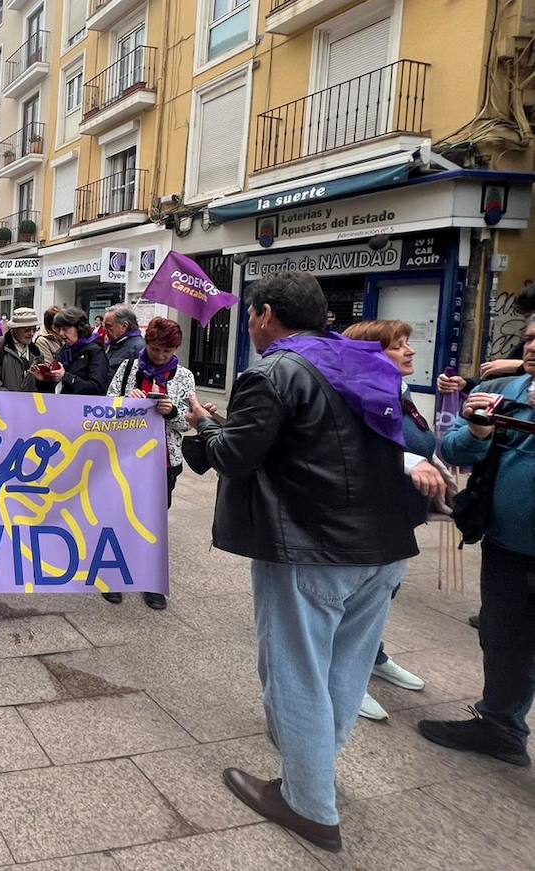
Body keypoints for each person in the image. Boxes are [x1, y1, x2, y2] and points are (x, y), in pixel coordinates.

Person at [180, 271, 440, 853]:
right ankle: (315, 759)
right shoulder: (366, 362)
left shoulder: (273, 370)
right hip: (384, 546)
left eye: (250, 315)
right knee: (345, 667)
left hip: (311, 547)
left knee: (296, 667)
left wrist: (198, 432)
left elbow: (236, 457)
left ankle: (308, 804)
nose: (249, 325)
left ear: (265, 313)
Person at [418, 313, 535, 767]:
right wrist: (479, 430)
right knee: (502, 638)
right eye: (526, 339)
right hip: (507, 545)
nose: (529, 347)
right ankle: (500, 726)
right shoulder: (507, 394)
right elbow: (454, 450)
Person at [341, 320, 433, 721]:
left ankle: (372, 657)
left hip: (399, 520)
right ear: (372, 355)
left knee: (381, 600)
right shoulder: (358, 397)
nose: (410, 351)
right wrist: (410, 461)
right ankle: (346, 680)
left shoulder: (401, 391)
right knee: (353, 606)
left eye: (408, 343)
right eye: (399, 346)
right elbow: (353, 453)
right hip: (366, 523)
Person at [105, 316, 194, 610]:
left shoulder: (184, 377)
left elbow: (187, 423)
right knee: (120, 516)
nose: (159, 357)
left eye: (166, 353)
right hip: (127, 458)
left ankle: (151, 581)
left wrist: (170, 412)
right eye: (155, 350)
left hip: (163, 462)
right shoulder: (128, 368)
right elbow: (107, 405)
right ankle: (114, 576)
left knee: (153, 522)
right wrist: (127, 403)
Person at [41, 306, 109, 394]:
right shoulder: (63, 351)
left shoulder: (95, 351)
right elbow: (52, 390)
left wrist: (66, 377)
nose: (61, 333)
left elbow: (96, 388)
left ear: (79, 328)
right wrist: (43, 380)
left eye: (65, 329)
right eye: (59, 329)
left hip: (83, 406)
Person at [0, 307, 43, 392]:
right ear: (14, 329)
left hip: (29, 404)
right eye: (27, 330)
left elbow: (42, 389)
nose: (32, 333)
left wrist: (47, 380)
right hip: (3, 404)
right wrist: (12, 400)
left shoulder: (37, 353)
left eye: (34, 329)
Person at [102, 304, 146, 371]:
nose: (104, 329)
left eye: (108, 326)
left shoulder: (139, 348)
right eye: (104, 325)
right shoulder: (112, 343)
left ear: (124, 326)